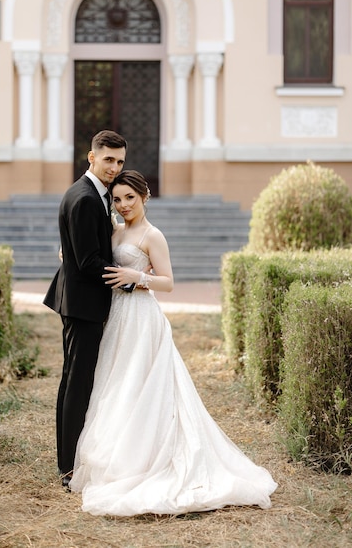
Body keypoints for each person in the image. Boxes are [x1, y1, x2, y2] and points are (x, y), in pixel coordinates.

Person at [68, 170, 278, 516]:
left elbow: (168, 283)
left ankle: (153, 457)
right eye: (117, 200)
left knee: (145, 383)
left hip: (142, 316)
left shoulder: (154, 235)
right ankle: (118, 456)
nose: (123, 206)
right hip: (118, 316)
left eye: (130, 198)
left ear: (144, 197)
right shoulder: (116, 231)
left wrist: (138, 277)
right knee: (118, 383)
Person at [43, 130, 127, 487]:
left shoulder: (94, 195)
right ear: (91, 157)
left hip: (80, 301)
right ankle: (68, 468)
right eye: (108, 159)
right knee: (77, 383)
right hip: (83, 304)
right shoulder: (85, 199)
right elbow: (90, 261)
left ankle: (70, 460)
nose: (115, 167)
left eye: (120, 161)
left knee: (74, 380)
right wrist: (131, 278)